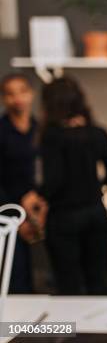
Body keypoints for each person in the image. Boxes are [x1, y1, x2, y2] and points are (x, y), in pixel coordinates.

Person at [40, 77, 107, 295]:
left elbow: (53, 181)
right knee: (98, 281)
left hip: (63, 217)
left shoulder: (52, 136)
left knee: (68, 284)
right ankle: (100, 328)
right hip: (95, 213)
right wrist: (93, 188)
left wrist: (37, 195)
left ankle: (71, 329)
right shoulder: (98, 133)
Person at [0, 73, 47, 293]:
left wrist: (38, 205)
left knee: (42, 274)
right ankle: (15, 327)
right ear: (4, 99)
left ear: (30, 94)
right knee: (14, 275)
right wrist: (16, 216)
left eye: (21, 91)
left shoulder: (41, 129)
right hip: (8, 211)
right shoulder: (1, 131)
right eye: (10, 94)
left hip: (37, 209)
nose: (17, 98)